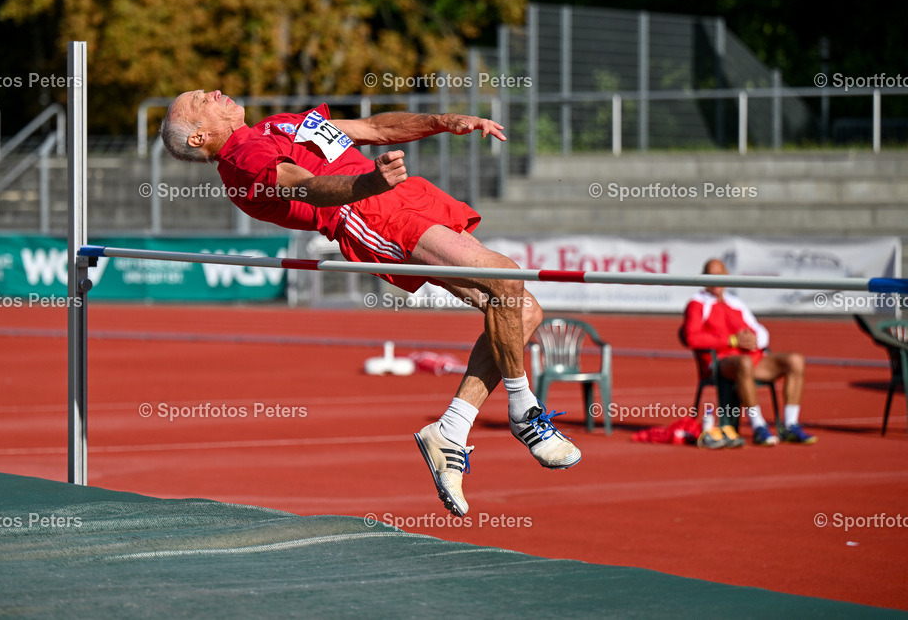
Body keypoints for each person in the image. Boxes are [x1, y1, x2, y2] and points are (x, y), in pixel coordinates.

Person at [159, 90, 581, 516]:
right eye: (200, 102)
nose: (214, 92)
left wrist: (443, 121)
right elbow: (304, 188)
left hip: (404, 197)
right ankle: (524, 410)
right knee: (504, 280)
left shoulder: (278, 123)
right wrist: (369, 184)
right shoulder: (241, 160)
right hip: (368, 212)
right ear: (199, 137)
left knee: (522, 309)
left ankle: (450, 429)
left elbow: (375, 129)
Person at [680, 258, 816, 447]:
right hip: (720, 362)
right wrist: (731, 340)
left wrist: (753, 341)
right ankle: (759, 426)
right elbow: (691, 338)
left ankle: (790, 425)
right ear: (703, 279)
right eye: (710, 275)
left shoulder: (736, 302)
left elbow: (761, 333)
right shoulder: (697, 303)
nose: (715, 280)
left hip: (752, 358)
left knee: (795, 360)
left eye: (719, 275)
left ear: (727, 277)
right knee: (743, 363)